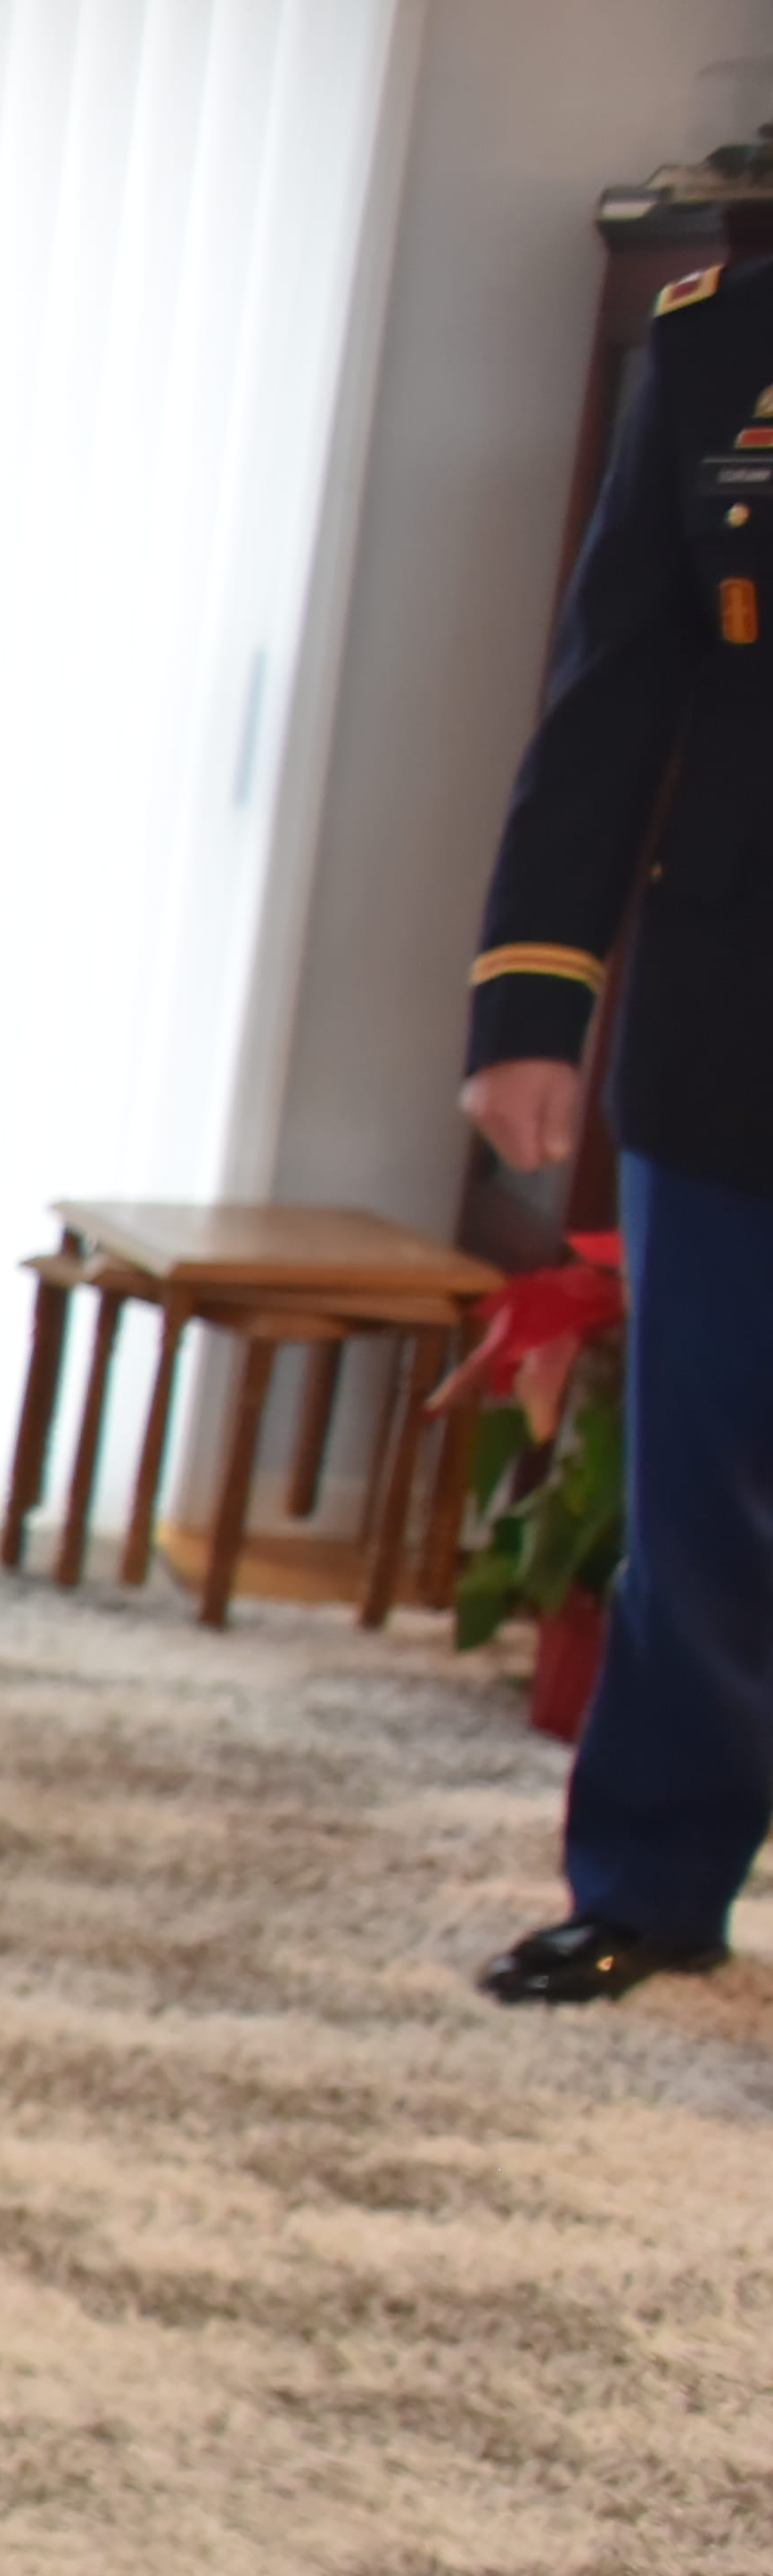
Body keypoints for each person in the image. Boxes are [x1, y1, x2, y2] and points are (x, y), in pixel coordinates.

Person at [460, 255, 769, 2009]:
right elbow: (606, 694)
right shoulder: (716, 338)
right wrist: (528, 999)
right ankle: (649, 1879)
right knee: (703, 1481)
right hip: (738, 1011)